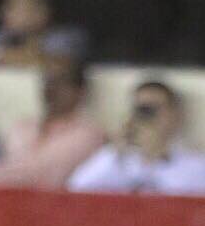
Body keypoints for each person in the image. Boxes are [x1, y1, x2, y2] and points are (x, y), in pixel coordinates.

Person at [0, 56, 105, 189]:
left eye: (60, 82)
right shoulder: (22, 127)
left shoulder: (87, 135)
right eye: (48, 81)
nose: (51, 89)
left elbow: (39, 178)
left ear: (80, 92)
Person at [68, 79, 205, 195]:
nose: (146, 116)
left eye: (152, 109)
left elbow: (189, 201)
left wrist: (158, 157)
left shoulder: (194, 164)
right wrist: (115, 150)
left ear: (174, 114)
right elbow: (77, 188)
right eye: (140, 109)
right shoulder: (118, 160)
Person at [0, 0, 88, 67]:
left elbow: (52, 69)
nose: (3, 12)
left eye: (12, 6)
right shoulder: (2, 35)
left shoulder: (67, 36)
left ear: (41, 12)